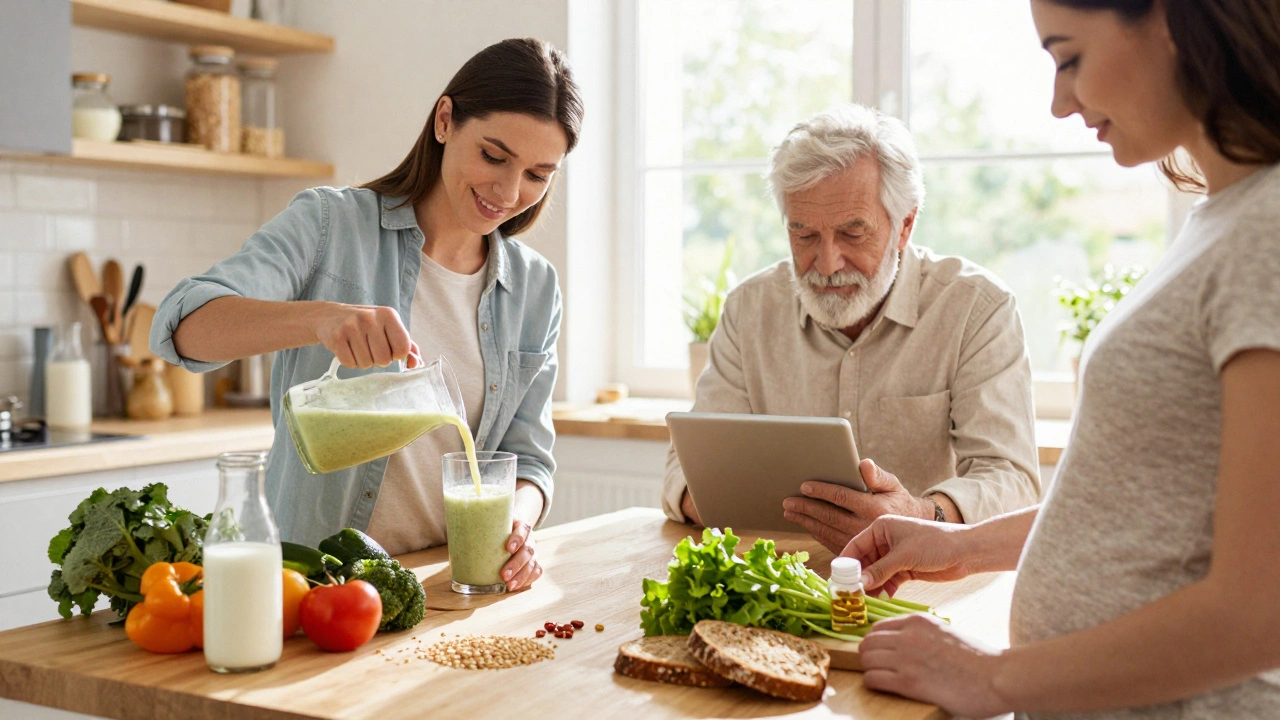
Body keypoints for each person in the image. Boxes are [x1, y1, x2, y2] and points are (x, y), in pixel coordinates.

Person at [843, 1, 1280, 716]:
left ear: (1172, 21)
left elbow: (1263, 610)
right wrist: (958, 543)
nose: (1058, 101)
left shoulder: (1267, 229)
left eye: (1069, 57)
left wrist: (989, 678)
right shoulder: (1226, 218)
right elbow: (1149, 509)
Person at [151, 38, 584, 592]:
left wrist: (518, 525)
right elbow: (183, 326)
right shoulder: (331, 224)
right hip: (314, 588)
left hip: (441, 588)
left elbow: (527, 460)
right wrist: (320, 320)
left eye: (538, 174)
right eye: (494, 157)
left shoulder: (535, 287)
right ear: (445, 120)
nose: (508, 190)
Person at [662, 104, 1041, 550]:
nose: (826, 263)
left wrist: (918, 516)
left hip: (923, 581)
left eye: (852, 234)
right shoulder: (749, 310)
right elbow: (685, 472)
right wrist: (723, 501)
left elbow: (1012, 480)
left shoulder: (976, 308)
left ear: (904, 225)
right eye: (803, 235)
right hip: (781, 576)